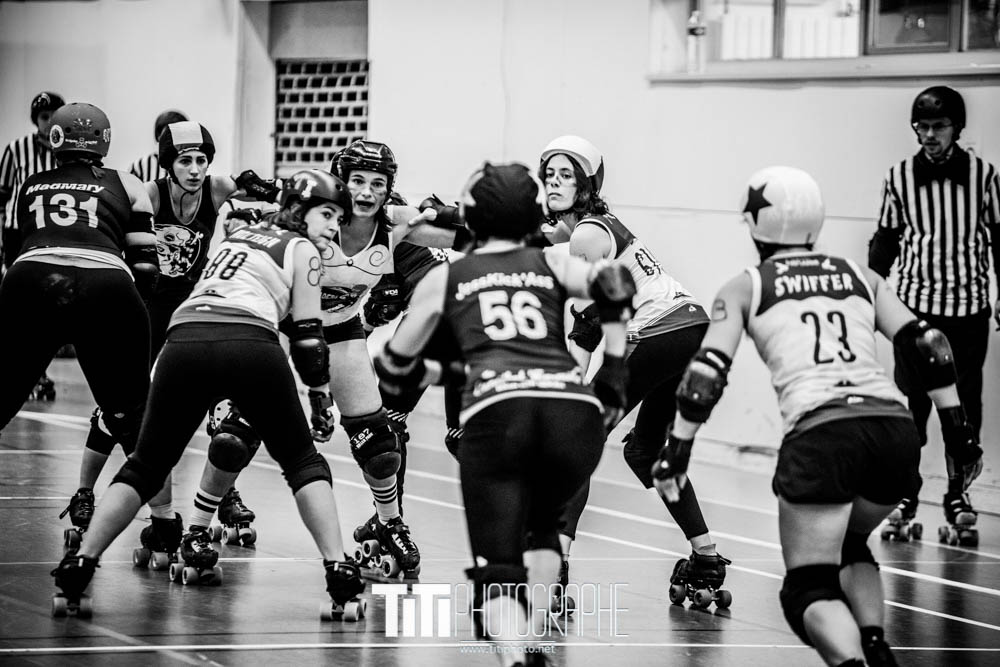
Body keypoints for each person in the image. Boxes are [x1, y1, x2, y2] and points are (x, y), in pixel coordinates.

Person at [652, 166, 984, 667]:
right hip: (894, 431)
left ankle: (853, 663)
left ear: (756, 225)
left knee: (807, 588)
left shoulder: (745, 285)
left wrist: (676, 451)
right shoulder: (859, 275)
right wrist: (961, 439)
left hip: (822, 431)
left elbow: (705, 377)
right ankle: (876, 645)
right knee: (852, 544)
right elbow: (928, 346)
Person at [52, 170, 368, 621]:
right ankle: (339, 571)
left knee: (146, 465)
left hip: (183, 340)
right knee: (303, 462)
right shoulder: (301, 249)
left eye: (338, 217)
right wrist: (320, 397)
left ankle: (78, 566)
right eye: (327, 214)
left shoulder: (238, 236)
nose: (334, 227)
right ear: (299, 209)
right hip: (247, 342)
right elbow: (308, 340)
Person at [374, 162, 634, 666]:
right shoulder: (552, 262)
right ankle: (533, 637)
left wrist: (437, 364)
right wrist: (615, 372)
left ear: (471, 215)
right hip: (571, 412)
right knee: (541, 532)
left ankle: (515, 654)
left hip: (501, 413)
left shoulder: (447, 275)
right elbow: (616, 282)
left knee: (496, 571)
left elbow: (395, 372)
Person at [65, 120, 281, 556]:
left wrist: (269, 189)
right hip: (145, 307)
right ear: (168, 164)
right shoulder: (149, 194)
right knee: (121, 403)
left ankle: (225, 495)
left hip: (192, 307)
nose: (196, 169)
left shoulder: (218, 189)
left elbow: (276, 196)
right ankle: (85, 492)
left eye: (202, 160)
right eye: (186, 161)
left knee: (222, 402)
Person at [536, 135, 727, 610]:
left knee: (579, 439)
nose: (555, 183)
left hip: (660, 330)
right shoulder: (585, 228)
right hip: (689, 328)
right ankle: (706, 556)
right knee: (645, 454)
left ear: (586, 185)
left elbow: (587, 318)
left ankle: (554, 564)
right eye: (550, 175)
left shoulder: (586, 234)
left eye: (567, 176)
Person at [0, 102, 158, 551]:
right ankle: (165, 524)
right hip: (105, 282)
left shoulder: (30, 183)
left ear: (53, 141)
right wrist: (130, 318)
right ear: (104, 142)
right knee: (132, 416)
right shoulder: (127, 183)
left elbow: (15, 252)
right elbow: (146, 267)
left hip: (32, 278)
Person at [317, 139, 468, 579]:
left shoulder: (397, 234)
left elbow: (385, 309)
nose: (365, 194)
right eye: (357, 183)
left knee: (383, 428)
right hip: (465, 325)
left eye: (375, 185)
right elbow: (360, 320)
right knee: (444, 436)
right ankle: (387, 520)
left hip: (446, 321)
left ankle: (389, 523)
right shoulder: (347, 227)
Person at [868, 85, 1000, 546]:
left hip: (968, 311)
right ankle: (906, 493)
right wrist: (868, 292)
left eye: (937, 127)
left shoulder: (984, 176)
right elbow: (885, 240)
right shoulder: (899, 177)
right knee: (912, 409)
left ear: (957, 128)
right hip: (915, 315)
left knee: (964, 412)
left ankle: (958, 496)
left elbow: (999, 238)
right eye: (921, 127)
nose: (928, 135)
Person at [0, 91, 67, 400]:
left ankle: (35, 371)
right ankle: (28, 372)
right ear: (35, 120)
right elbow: (2, 199)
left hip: (53, 234)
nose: (49, 122)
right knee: (21, 304)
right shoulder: (16, 150)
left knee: (46, 306)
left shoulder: (67, 153)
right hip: (19, 234)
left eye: (55, 116)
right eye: (44, 117)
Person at [127, 109, 188, 182]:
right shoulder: (140, 166)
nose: (175, 139)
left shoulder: (196, 164)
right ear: (158, 135)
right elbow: (130, 192)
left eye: (180, 134)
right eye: (169, 134)